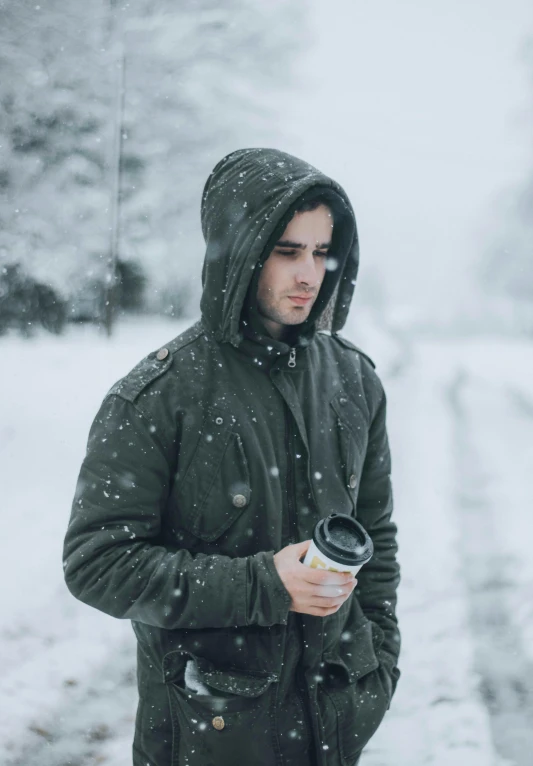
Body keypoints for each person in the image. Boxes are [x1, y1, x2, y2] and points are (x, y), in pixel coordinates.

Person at [62, 147, 401, 766]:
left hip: (335, 723)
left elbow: (376, 535)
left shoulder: (353, 380)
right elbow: (97, 564)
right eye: (288, 251)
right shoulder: (159, 396)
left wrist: (379, 666)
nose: (310, 275)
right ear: (240, 250)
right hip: (209, 731)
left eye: (323, 252)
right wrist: (264, 584)